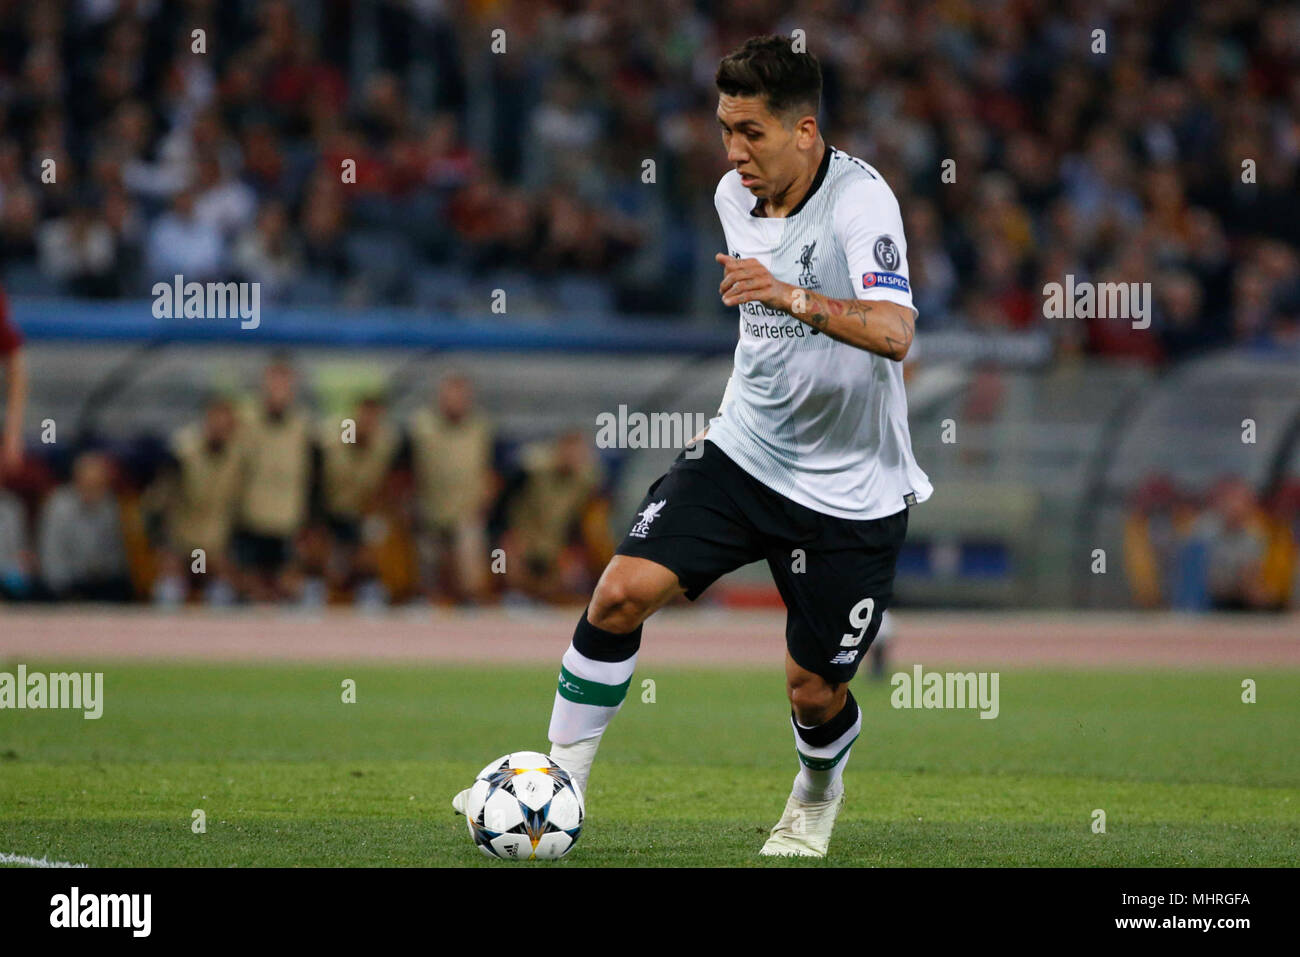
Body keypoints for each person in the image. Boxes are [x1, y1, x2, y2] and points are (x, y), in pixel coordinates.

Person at [454, 36, 931, 858]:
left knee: (814, 692)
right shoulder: (731, 195)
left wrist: (785, 293)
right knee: (618, 593)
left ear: (805, 132)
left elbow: (895, 334)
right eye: (724, 129)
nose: (732, 151)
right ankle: (556, 784)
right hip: (745, 451)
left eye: (750, 132)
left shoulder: (862, 203)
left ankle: (816, 794)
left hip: (850, 488)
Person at [406, 372, 494, 603]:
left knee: (469, 577)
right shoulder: (420, 427)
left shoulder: (481, 428)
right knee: (428, 575)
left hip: (466, 512)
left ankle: (469, 609)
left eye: (460, 395)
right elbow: (404, 469)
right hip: (429, 511)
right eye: (450, 395)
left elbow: (489, 469)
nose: (455, 400)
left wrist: (483, 500)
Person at [233, 356, 314, 601]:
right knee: (251, 591)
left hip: (287, 520)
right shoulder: (244, 421)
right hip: (251, 520)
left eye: (284, 384)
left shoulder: (303, 426)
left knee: (289, 590)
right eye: (274, 383)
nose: (279, 390)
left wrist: (309, 520)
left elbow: (309, 475)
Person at [38, 451, 132, 601]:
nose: (94, 491)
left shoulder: (109, 506)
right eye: (89, 484)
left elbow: (116, 556)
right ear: (77, 481)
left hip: (100, 583)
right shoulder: (58, 506)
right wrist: (66, 592)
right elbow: (52, 558)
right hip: (65, 584)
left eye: (99, 485)